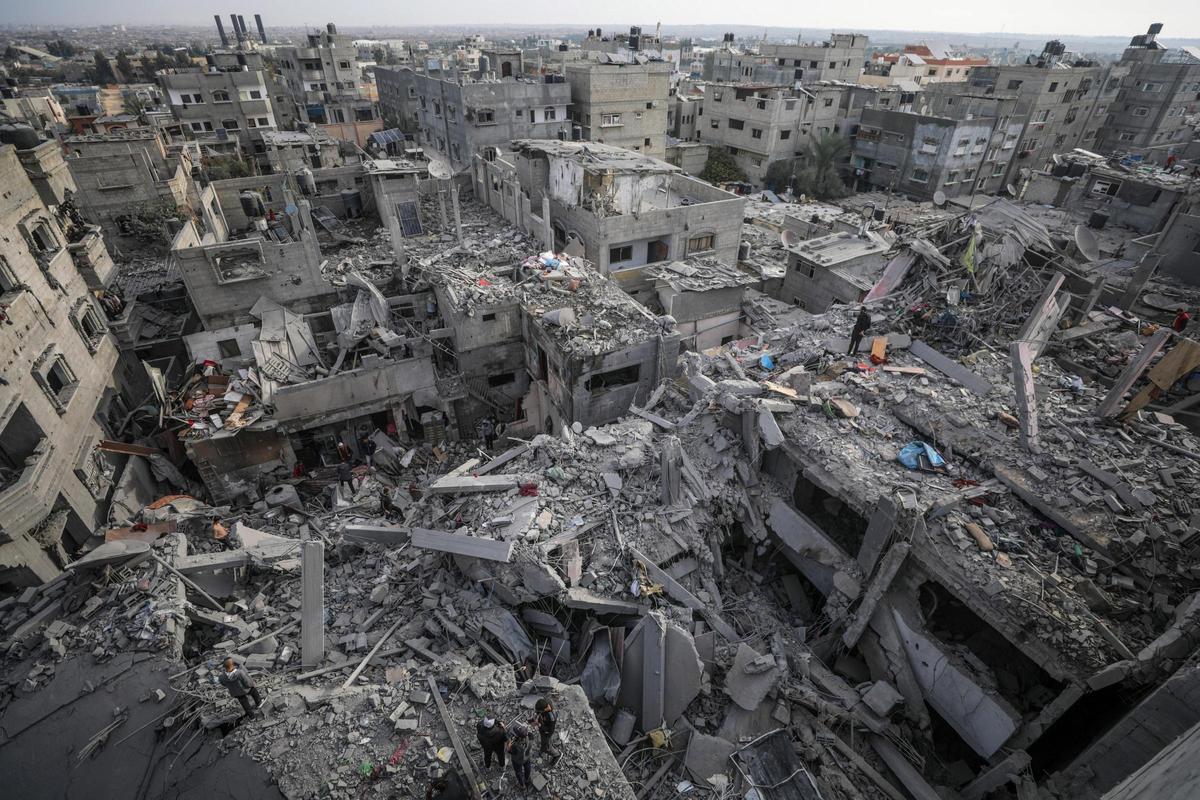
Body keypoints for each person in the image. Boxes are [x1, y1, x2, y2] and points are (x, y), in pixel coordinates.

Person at [507, 722, 532, 789]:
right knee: (528, 767)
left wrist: (509, 746)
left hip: (517, 761)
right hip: (527, 756)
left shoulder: (516, 745)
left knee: (518, 772)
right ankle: (527, 779)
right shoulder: (528, 737)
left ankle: (522, 785)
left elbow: (510, 751)